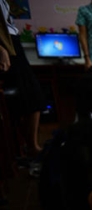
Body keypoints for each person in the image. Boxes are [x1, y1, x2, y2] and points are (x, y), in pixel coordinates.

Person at [0, 0, 47, 157]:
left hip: (12, 41)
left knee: (28, 97)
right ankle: (30, 147)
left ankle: (26, 146)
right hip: (5, 45)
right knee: (30, 96)